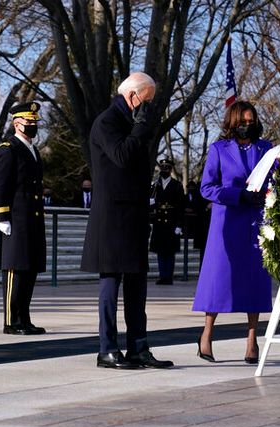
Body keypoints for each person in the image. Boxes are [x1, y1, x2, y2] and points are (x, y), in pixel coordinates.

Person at [81, 72, 174, 369]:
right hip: (111, 217)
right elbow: (121, 155)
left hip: (133, 216)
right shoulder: (107, 121)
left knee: (137, 286)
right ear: (132, 95)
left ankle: (138, 347)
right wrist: (140, 128)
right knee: (111, 285)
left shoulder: (133, 123)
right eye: (146, 101)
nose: (148, 108)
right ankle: (107, 348)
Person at [192, 100, 273, 365]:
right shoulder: (218, 149)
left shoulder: (266, 148)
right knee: (218, 280)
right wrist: (238, 195)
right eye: (242, 122)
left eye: (251, 121)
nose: (247, 126)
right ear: (232, 122)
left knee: (255, 281)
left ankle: (252, 341)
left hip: (255, 223)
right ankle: (206, 334)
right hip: (226, 224)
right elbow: (207, 188)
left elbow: (276, 181)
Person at [0, 101, 46, 335]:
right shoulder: (8, 148)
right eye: (29, 122)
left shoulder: (32, 149)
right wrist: (2, 216)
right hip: (15, 218)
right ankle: (12, 321)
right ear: (16, 123)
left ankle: (24, 317)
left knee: (29, 269)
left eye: (35, 122)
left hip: (31, 218)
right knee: (15, 270)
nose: (33, 126)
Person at [149, 158, 185, 285]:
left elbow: (180, 206)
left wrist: (179, 225)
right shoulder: (155, 185)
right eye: (162, 167)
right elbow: (151, 201)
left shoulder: (177, 185)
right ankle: (162, 275)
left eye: (166, 168)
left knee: (169, 252)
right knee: (160, 251)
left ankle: (168, 276)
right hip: (159, 223)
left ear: (170, 170)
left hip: (171, 222)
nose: (164, 170)